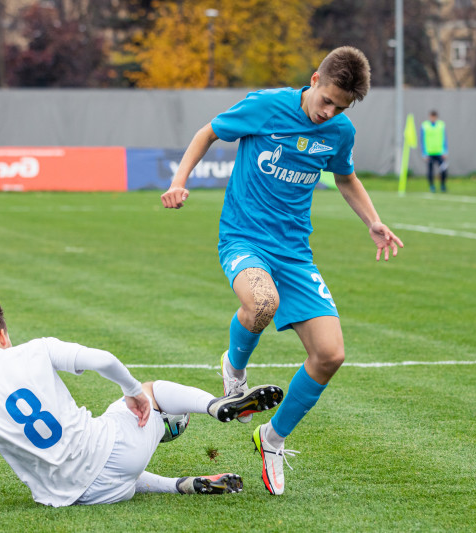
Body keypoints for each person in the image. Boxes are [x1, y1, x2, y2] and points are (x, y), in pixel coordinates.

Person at [160, 46, 403, 496]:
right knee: (262, 302)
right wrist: (179, 181)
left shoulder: (339, 131)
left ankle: (271, 439)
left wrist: (373, 219)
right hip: (243, 239)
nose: (327, 112)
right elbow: (207, 133)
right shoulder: (265, 106)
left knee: (331, 355)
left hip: (294, 253)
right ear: (313, 80)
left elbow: (346, 177)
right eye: (325, 100)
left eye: (339, 107)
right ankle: (234, 370)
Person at [0, 299, 284, 509]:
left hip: (70, 496)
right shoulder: (35, 349)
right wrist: (134, 392)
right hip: (116, 454)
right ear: (3, 335)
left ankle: (179, 485)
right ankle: (217, 405)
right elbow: (104, 360)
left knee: (110, 459)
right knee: (153, 389)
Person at [420, 110, 448, 193]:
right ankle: (432, 186)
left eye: (434, 117)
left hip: (440, 152)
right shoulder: (425, 125)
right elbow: (422, 139)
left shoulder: (441, 125)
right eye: (431, 116)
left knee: (443, 169)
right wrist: (424, 153)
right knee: (430, 171)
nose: (433, 118)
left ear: (436, 117)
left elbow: (444, 138)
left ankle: (443, 185)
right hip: (429, 152)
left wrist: (445, 151)